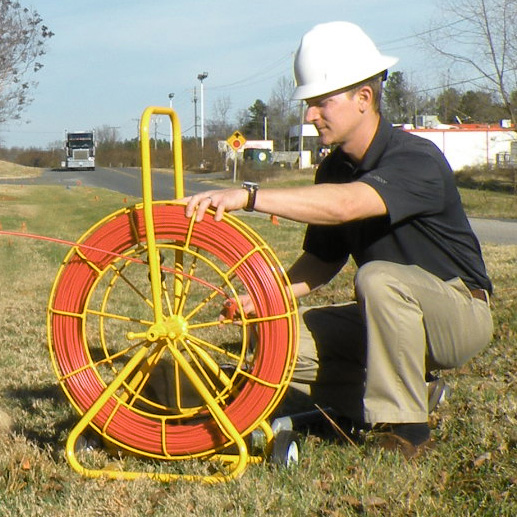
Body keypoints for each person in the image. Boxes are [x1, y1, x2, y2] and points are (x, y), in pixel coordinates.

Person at [181, 21, 493, 458]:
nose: (309, 115)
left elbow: (347, 205)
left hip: (458, 314)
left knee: (379, 277)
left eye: (321, 102)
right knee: (276, 340)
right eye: (308, 104)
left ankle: (406, 429)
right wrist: (269, 297)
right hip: (386, 315)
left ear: (363, 98)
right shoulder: (332, 169)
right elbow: (322, 262)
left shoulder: (416, 158)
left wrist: (249, 196)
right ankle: (403, 395)